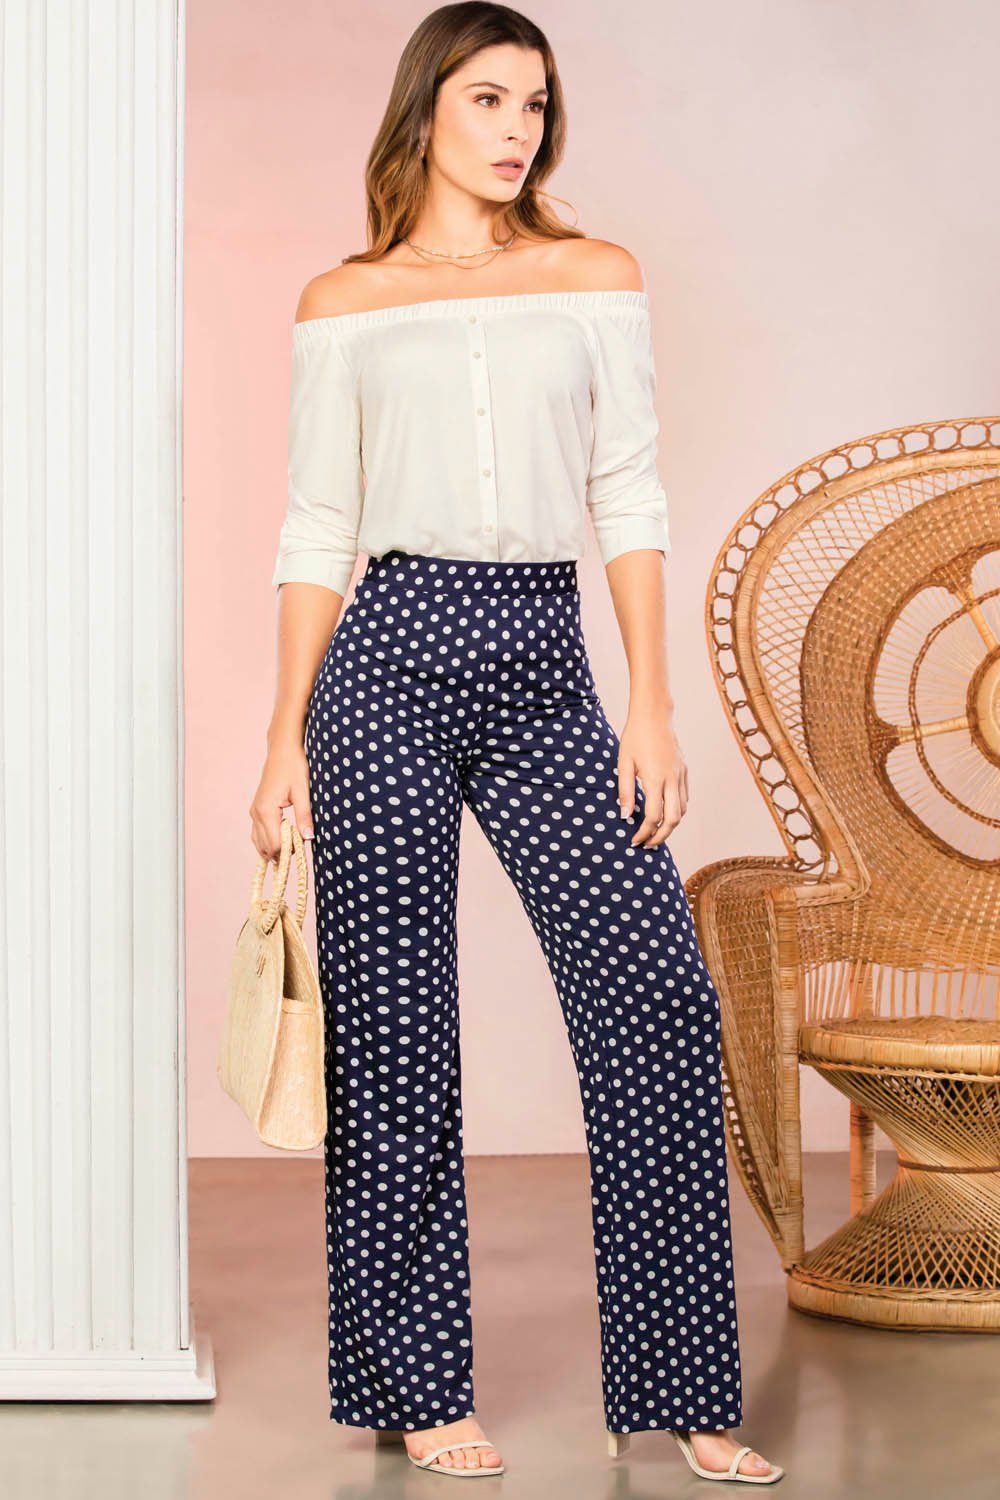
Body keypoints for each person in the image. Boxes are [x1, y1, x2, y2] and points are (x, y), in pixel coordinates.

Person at [250, 1, 782, 1486]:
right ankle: (415, 1385)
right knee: (397, 1032)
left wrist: (650, 702)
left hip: (547, 660)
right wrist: (284, 734)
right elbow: (319, 525)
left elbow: (628, 489)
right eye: (487, 99)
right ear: (425, 108)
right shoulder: (343, 301)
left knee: (655, 1003)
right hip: (385, 663)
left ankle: (683, 1387)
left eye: (535, 105)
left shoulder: (593, 277)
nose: (515, 130)